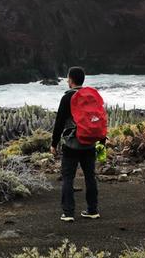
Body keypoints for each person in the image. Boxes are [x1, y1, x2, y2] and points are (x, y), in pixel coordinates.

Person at [51, 66, 105, 222]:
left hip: (72, 144)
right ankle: (93, 210)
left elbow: (59, 123)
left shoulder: (67, 98)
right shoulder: (91, 96)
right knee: (90, 177)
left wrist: (54, 144)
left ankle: (68, 213)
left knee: (68, 178)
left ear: (71, 80)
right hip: (90, 143)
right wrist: (101, 143)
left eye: (68, 78)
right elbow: (100, 120)